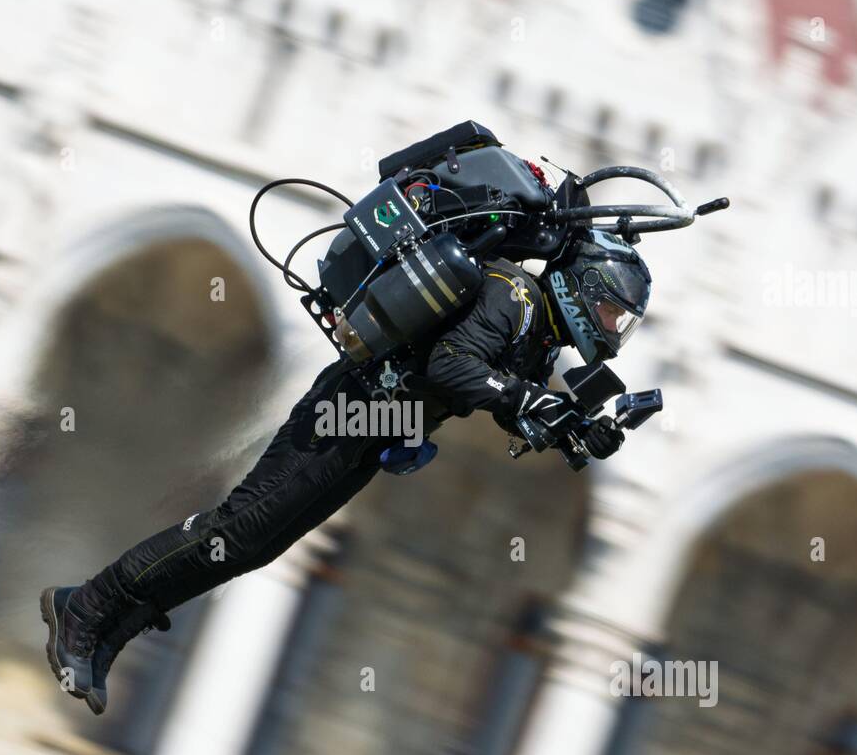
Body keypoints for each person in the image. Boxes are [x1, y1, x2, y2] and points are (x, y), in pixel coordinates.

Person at [41, 229, 653, 714]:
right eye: (609, 312)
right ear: (582, 285)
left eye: (620, 322)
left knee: (255, 549)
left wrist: (575, 428)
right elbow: (451, 366)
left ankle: (107, 630)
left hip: (377, 434)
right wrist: (525, 399)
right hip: (347, 412)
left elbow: (499, 400)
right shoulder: (509, 293)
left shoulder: (537, 336)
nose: (611, 329)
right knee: (235, 527)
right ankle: (89, 604)